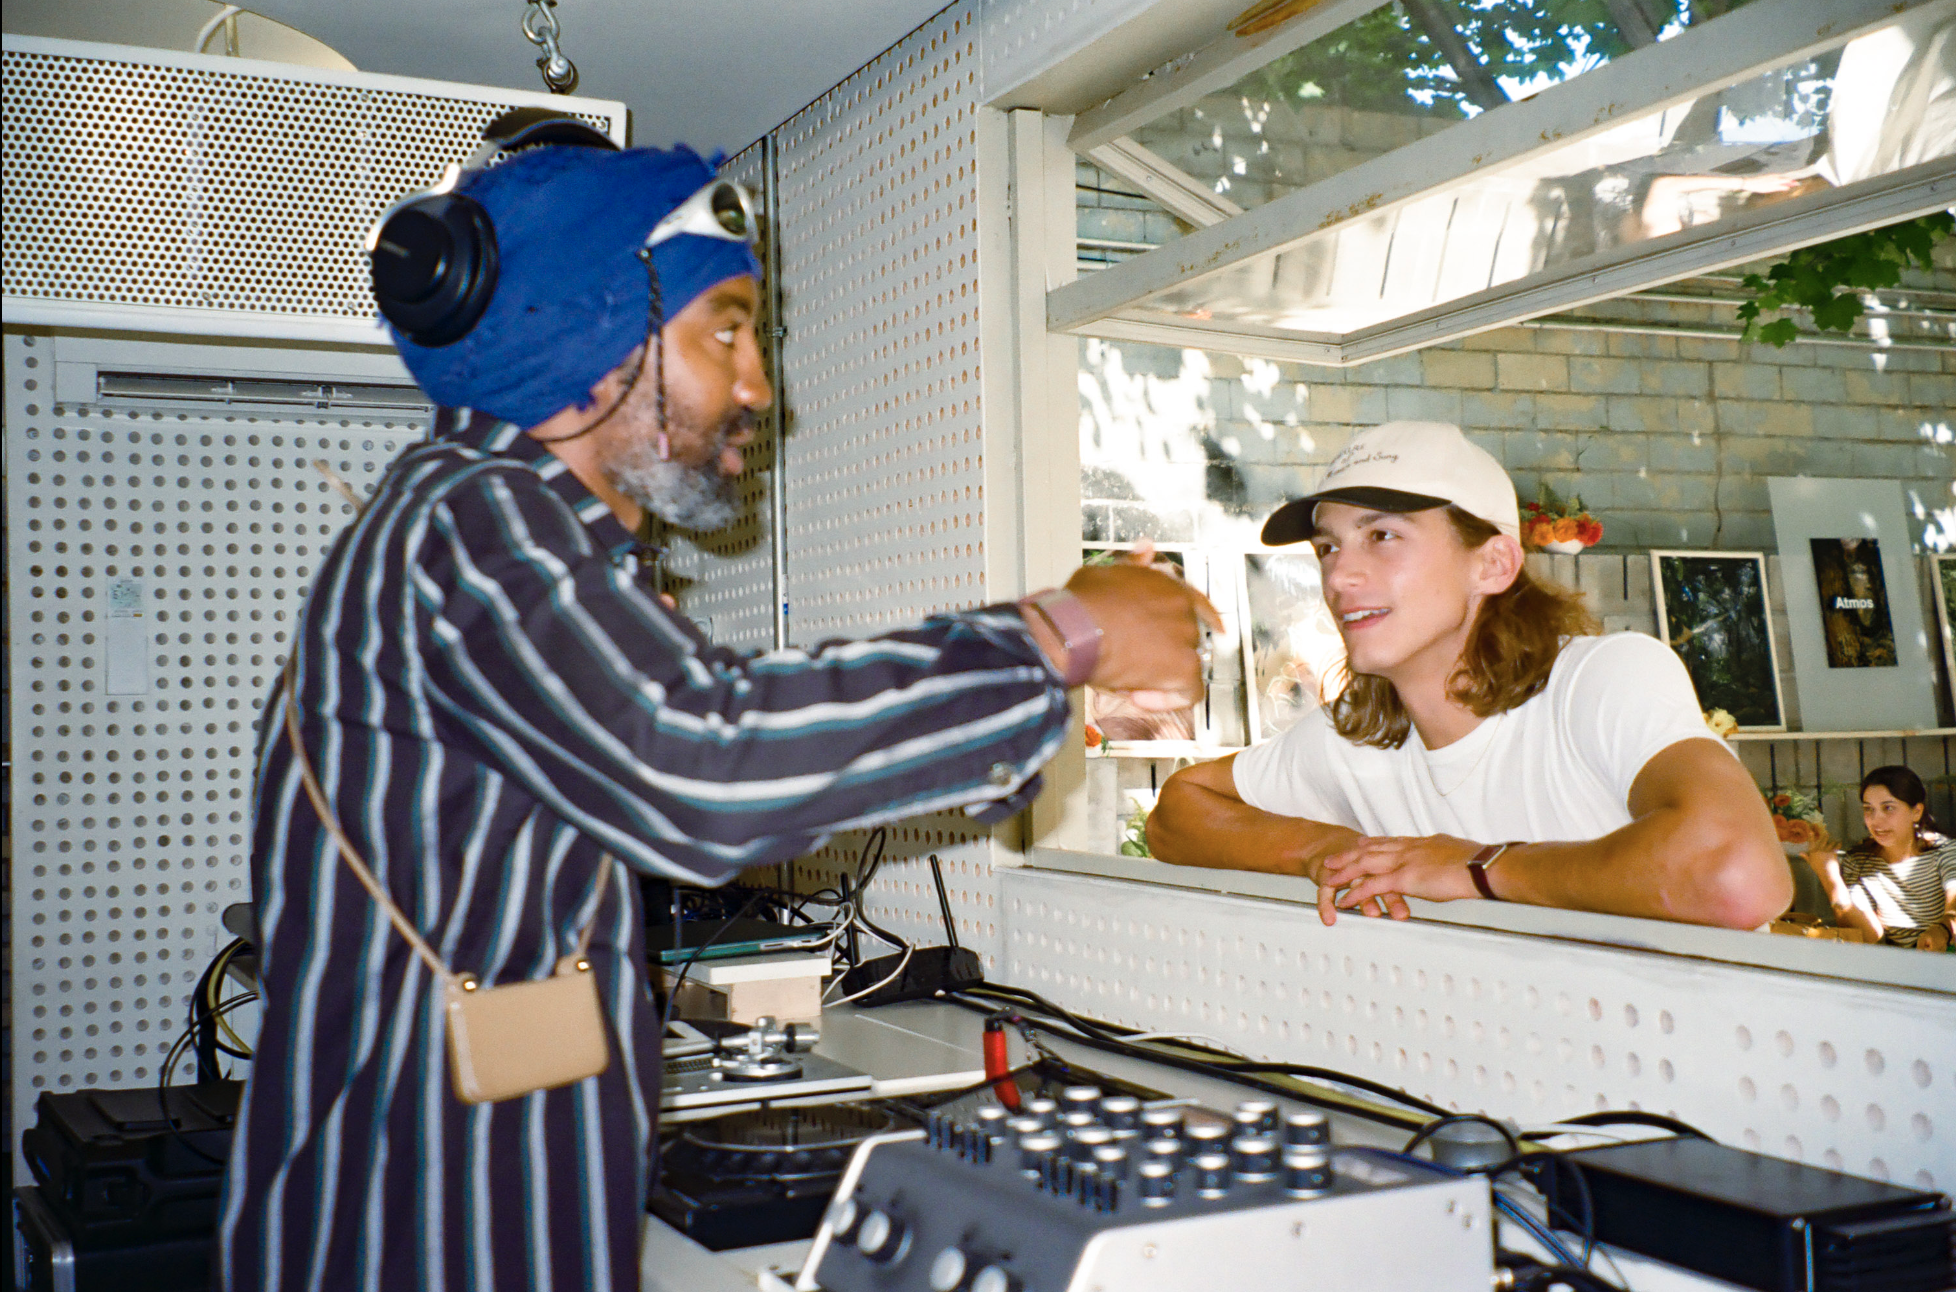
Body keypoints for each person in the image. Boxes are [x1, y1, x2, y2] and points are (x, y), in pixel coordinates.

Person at [217, 125, 1218, 1291]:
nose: (758, 388)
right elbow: (703, 762)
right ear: (597, 335)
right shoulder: (474, 526)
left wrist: (1047, 702)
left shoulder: (480, 534)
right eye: (726, 331)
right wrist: (1061, 635)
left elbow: (689, 752)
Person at [1147, 420, 1791, 930]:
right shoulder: (1357, 738)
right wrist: (1325, 851)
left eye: (1383, 536)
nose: (1339, 576)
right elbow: (1177, 812)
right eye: (1328, 546)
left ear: (1493, 563)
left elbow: (1738, 876)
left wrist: (1480, 868)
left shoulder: (1601, 679)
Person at [1804, 766, 1956, 951]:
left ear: (1916, 811)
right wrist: (1829, 876)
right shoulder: (1859, 862)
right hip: (1895, 968)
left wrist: (1942, 930)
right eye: (1869, 809)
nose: (1876, 820)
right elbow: (1868, 937)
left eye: (1888, 808)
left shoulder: (1945, 851)